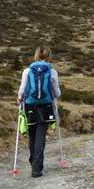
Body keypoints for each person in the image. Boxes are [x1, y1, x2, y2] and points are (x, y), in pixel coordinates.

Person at [16, 45, 61, 177]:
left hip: (30, 106)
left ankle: (33, 162)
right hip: (46, 107)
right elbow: (57, 93)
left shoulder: (27, 71)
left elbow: (22, 89)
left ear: (36, 55)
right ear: (49, 56)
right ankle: (37, 167)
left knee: (33, 136)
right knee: (41, 136)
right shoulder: (52, 72)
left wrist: (19, 98)